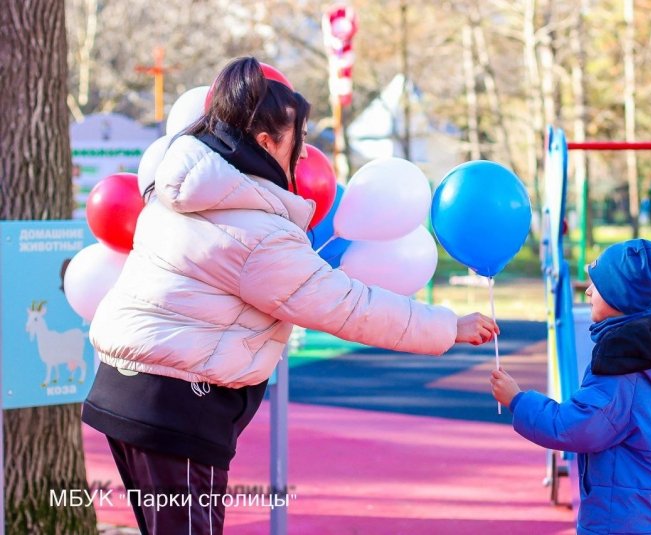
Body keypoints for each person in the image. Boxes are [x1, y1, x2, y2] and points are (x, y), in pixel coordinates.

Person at [83, 56, 499, 535]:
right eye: (297, 140)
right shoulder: (255, 230)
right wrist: (447, 326)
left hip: (129, 391)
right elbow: (347, 307)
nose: (304, 155)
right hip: (176, 409)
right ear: (266, 142)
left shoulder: (182, 191)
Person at [491, 239, 651, 534]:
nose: (588, 291)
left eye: (597, 285)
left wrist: (517, 400)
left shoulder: (622, 363)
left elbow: (576, 427)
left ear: (619, 296)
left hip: (628, 522)